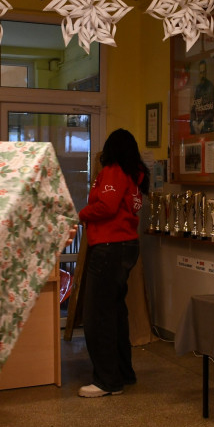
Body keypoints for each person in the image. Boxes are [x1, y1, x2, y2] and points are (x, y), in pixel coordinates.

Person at [77, 128, 149, 398]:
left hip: (108, 247)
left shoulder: (114, 170)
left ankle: (108, 381)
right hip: (127, 247)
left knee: (98, 316)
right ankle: (123, 372)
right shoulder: (135, 174)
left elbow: (106, 206)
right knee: (116, 313)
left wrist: (81, 214)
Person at [190, 59, 214, 134]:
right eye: (201, 73)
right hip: (198, 124)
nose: (202, 75)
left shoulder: (210, 87)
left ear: (206, 72)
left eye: (204, 72)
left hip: (207, 124)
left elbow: (212, 111)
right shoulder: (197, 88)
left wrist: (202, 123)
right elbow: (193, 108)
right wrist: (194, 121)